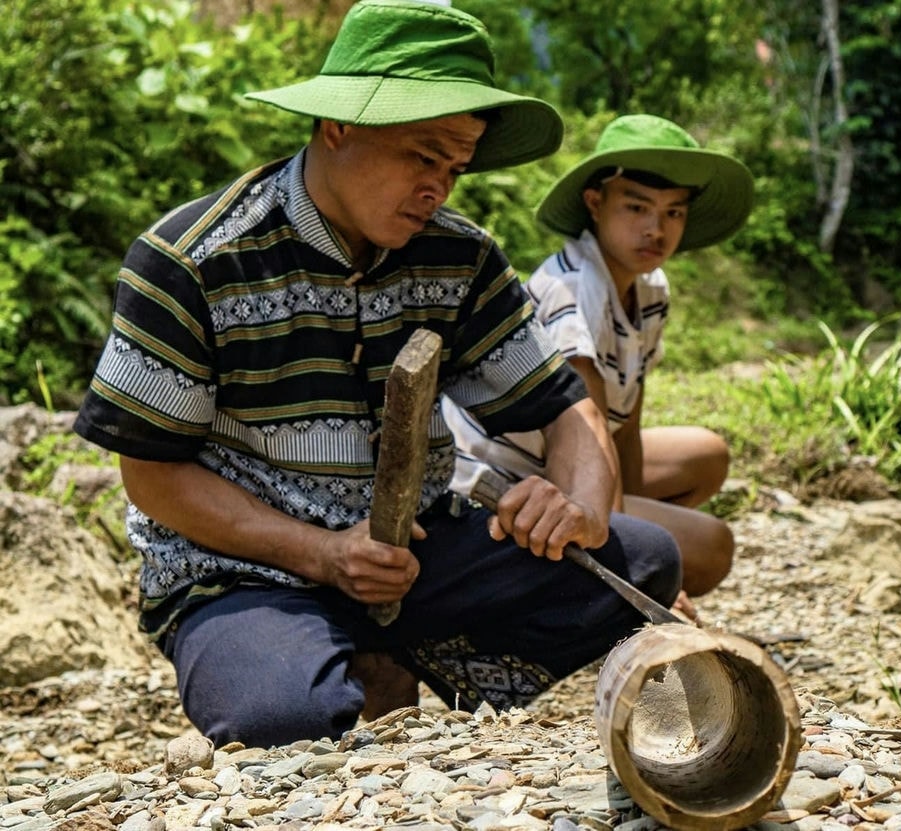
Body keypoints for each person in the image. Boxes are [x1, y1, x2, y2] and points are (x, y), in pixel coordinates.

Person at [72, 0, 682, 748]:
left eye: (455, 166)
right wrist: (323, 553)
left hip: (413, 556)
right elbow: (151, 476)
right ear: (340, 126)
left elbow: (566, 407)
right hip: (245, 570)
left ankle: (395, 650)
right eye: (423, 156)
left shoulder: (461, 258)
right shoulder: (192, 262)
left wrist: (580, 502)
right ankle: (329, 657)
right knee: (282, 720)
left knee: (644, 557)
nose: (439, 188)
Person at [445, 114, 754, 611]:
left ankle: (591, 566)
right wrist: (636, 565)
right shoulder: (576, 286)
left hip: (570, 466)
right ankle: (587, 586)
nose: (656, 229)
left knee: (707, 455)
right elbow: (585, 429)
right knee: (713, 547)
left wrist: (628, 522)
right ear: (595, 203)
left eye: (674, 213)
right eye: (637, 207)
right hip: (506, 477)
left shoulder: (650, 287)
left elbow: (624, 417)